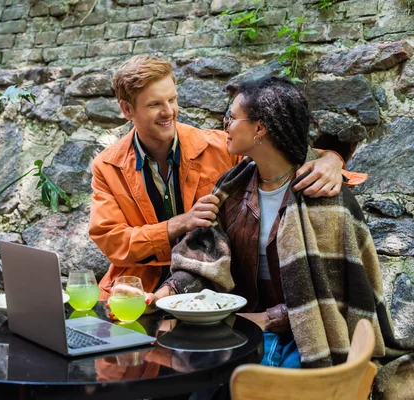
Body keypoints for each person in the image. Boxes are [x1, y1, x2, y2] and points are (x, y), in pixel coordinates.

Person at [148, 77, 413, 394]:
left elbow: (336, 298)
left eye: (232, 118)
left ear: (260, 129)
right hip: (241, 332)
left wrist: (268, 319)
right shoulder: (231, 189)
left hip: (307, 340)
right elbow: (201, 260)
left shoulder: (325, 197)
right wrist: (166, 293)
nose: (226, 126)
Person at [89, 55, 364, 302]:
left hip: (206, 291)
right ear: (127, 110)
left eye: (172, 99)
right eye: (154, 104)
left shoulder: (223, 147)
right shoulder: (106, 165)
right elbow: (113, 241)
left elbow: (282, 154)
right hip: (136, 288)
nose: (169, 111)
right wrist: (178, 224)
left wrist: (332, 159)